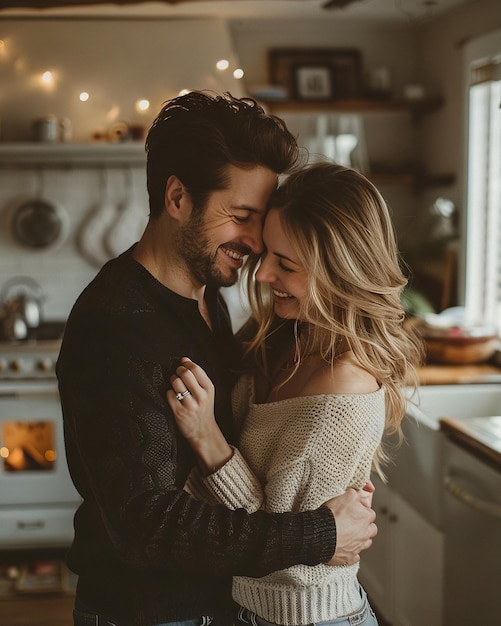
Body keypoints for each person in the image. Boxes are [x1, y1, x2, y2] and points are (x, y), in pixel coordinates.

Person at [56, 93, 378, 626]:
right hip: (146, 611)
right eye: (241, 217)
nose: (255, 243)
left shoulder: (206, 294)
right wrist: (320, 535)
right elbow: (146, 527)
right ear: (178, 197)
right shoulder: (116, 326)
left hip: (222, 603)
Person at [167, 162, 424, 626]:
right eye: (267, 253)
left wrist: (208, 442)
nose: (262, 274)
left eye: (286, 263)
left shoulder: (342, 390)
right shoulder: (282, 335)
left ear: (340, 270)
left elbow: (288, 547)